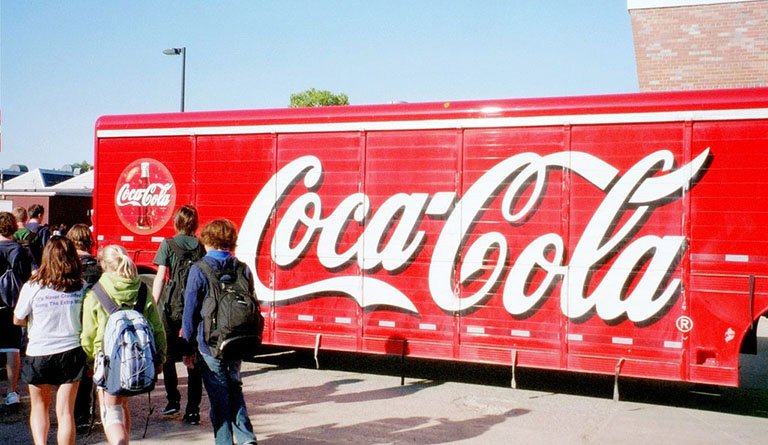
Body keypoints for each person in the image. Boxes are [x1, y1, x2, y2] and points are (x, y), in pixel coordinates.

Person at [182, 219, 258, 445]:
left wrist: (187, 347)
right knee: (234, 387)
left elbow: (190, 311)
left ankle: (224, 441)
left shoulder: (200, 269)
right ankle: (246, 438)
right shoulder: (243, 268)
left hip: (210, 343)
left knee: (218, 394)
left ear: (207, 240)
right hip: (237, 339)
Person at [80, 245, 167, 445]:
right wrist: (160, 357)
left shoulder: (96, 293)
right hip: (136, 360)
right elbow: (157, 327)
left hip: (108, 359)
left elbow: (88, 334)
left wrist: (89, 360)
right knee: (123, 405)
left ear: (103, 264)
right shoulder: (142, 289)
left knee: (110, 410)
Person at [12, 237, 86, 445]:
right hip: (71, 351)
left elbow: (18, 319)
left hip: (39, 351)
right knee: (65, 412)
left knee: (39, 407)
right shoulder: (81, 285)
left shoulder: (33, 285)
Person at [152, 205, 205, 424]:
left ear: (176, 222)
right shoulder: (200, 246)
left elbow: (160, 277)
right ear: (195, 224)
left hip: (171, 305)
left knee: (168, 355)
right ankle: (193, 410)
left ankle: (172, 400)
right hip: (194, 306)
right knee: (193, 358)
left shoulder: (168, 244)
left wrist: (153, 305)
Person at [67, 223, 102, 429]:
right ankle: (84, 413)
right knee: (89, 370)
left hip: (71, 324)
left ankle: (69, 412)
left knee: (71, 374)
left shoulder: (67, 268)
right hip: (93, 324)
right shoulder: (98, 268)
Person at [0, 211, 33, 407]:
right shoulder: (21, 250)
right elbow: (28, 277)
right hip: (14, 303)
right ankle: (12, 391)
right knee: (12, 348)